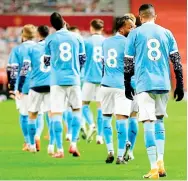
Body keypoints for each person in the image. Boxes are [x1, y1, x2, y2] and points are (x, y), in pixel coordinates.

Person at [124, 4, 184, 179]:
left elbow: (128, 62)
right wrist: (179, 84)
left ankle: (153, 168)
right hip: (163, 84)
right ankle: (161, 161)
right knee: (159, 122)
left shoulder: (135, 33)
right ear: (154, 16)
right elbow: (176, 61)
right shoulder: (166, 32)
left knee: (148, 123)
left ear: (140, 17)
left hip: (144, 83)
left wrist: (127, 84)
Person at [44, 12, 86, 158]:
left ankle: (60, 149)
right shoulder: (77, 37)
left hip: (56, 80)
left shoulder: (49, 39)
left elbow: (46, 62)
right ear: (63, 21)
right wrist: (75, 69)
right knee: (76, 110)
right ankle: (73, 144)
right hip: (74, 79)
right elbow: (82, 59)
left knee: (56, 113)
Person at [101, 16, 134, 164]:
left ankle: (110, 151)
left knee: (106, 118)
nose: (132, 30)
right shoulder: (129, 43)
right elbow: (131, 67)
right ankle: (120, 156)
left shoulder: (106, 42)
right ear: (121, 28)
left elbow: (103, 64)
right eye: (130, 27)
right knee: (122, 121)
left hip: (106, 85)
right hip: (122, 86)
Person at [17, 25, 54, 154]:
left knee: (32, 115)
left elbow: (25, 67)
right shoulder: (52, 47)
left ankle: (32, 145)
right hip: (50, 86)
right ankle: (51, 146)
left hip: (36, 85)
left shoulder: (32, 48)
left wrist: (20, 85)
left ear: (38, 34)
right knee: (52, 115)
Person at [82, 19, 105, 144]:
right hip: (102, 79)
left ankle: (91, 124)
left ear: (91, 28)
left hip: (89, 77)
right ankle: (100, 137)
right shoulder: (106, 42)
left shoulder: (87, 42)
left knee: (84, 104)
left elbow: (82, 58)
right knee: (101, 107)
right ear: (102, 29)